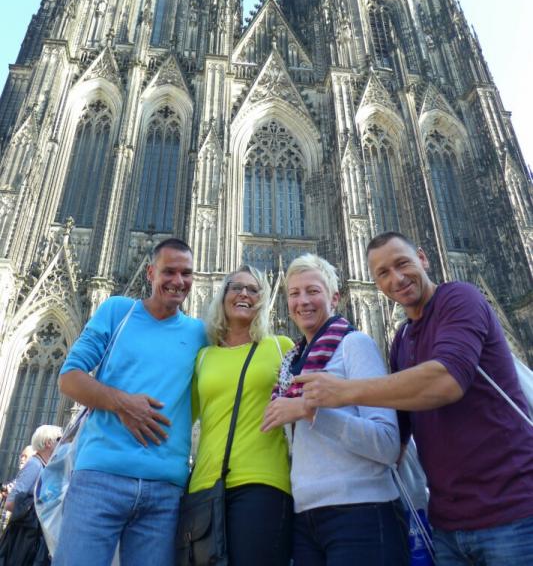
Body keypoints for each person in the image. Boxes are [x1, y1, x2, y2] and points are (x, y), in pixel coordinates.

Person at [297, 232, 533, 565]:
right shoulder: (402, 340)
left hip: (513, 513)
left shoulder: (460, 298)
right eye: (383, 273)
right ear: (377, 283)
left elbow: (447, 380)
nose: (396, 278)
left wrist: (344, 391)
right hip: (447, 525)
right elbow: (396, 439)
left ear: (422, 258)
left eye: (402, 264)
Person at [54, 238, 207, 566]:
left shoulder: (200, 334)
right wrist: (122, 403)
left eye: (186, 273)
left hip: (165, 492)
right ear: (151, 273)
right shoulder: (117, 311)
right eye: (169, 271)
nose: (178, 281)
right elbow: (69, 378)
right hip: (99, 480)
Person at [262, 253, 408, 565]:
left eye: (313, 291)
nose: (303, 301)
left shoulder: (355, 345)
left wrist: (310, 411)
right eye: (294, 293)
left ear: (335, 297)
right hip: (306, 518)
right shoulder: (292, 363)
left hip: (361, 511)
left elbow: (387, 444)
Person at [188, 265, 293, 565]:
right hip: (205, 486)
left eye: (253, 289)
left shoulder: (282, 347)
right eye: (236, 288)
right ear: (222, 296)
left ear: (264, 299)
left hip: (263, 482)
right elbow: (183, 419)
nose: (244, 294)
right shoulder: (204, 357)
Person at [0, 425, 61, 566]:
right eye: (58, 439)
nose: (61, 443)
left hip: (31, 537)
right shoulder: (34, 464)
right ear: (48, 442)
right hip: (23, 537)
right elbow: (11, 502)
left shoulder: (43, 466)